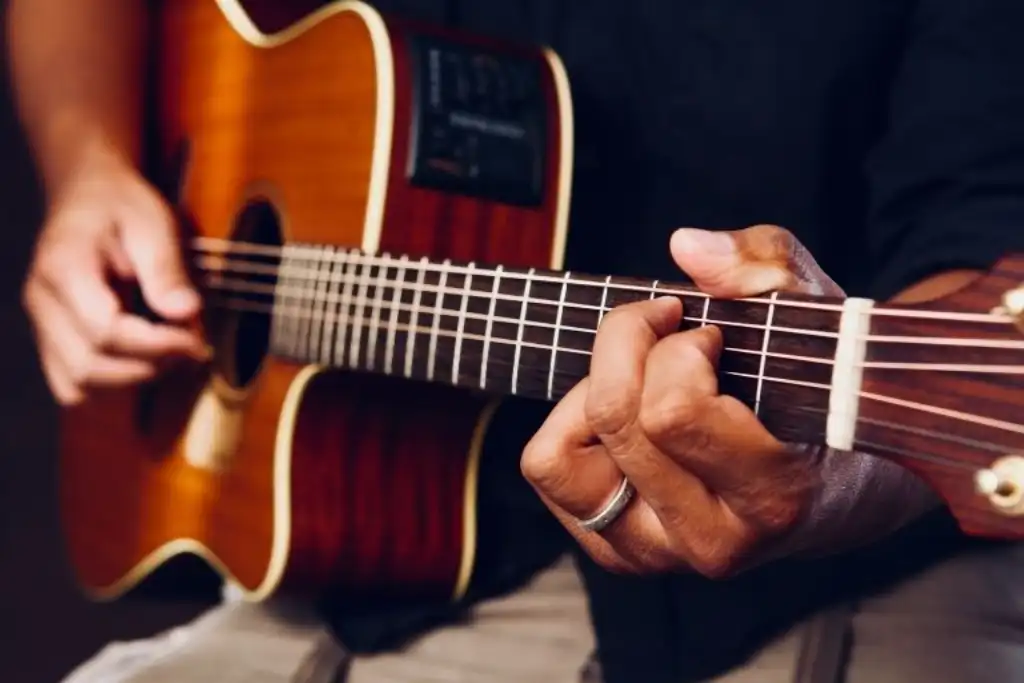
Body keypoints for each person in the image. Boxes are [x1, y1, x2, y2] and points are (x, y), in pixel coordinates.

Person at [9, 0, 1024, 682]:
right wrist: (88, 166)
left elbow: (985, 258)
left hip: (830, 577)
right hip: (346, 559)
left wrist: (846, 472)